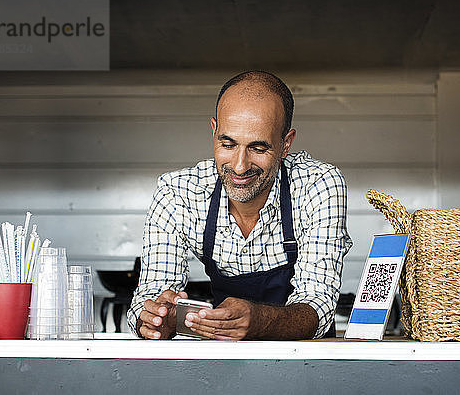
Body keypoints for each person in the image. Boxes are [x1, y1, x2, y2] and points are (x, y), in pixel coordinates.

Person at [126, 70, 352, 340]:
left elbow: (319, 303)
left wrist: (260, 321)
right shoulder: (179, 193)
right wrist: (156, 320)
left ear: (285, 144)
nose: (240, 166)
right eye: (228, 143)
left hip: (306, 366)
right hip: (223, 370)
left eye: (258, 148)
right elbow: (149, 296)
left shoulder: (318, 185)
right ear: (214, 131)